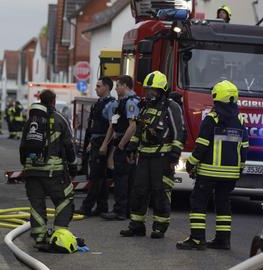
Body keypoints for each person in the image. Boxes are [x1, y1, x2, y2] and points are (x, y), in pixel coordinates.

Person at [176, 80, 248, 250]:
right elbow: (245, 148)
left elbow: (201, 145)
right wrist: (240, 168)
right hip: (230, 174)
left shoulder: (211, 119)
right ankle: (223, 240)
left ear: (216, 98)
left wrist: (190, 164)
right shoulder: (240, 120)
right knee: (223, 204)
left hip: (208, 173)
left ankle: (197, 239)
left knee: (198, 203)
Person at [120, 71, 185, 239]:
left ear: (162, 90)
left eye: (153, 90)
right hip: (144, 157)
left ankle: (159, 227)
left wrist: (175, 155)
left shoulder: (171, 107)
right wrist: (131, 147)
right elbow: (139, 130)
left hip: (162, 158)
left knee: (160, 192)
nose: (150, 93)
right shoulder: (145, 106)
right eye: (148, 90)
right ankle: (136, 226)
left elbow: (179, 132)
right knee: (139, 191)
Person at [19, 89, 78, 247]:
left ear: (40, 100)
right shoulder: (60, 119)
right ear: (53, 101)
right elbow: (69, 145)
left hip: (32, 171)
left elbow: (23, 146)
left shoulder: (31, 121)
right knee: (64, 200)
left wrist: (26, 165)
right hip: (54, 172)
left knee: (36, 204)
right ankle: (58, 235)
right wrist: (73, 167)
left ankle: (39, 237)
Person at [99, 75, 140, 221]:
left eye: (117, 86)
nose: (115, 89)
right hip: (122, 142)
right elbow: (113, 124)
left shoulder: (131, 103)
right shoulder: (120, 103)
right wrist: (106, 144)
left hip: (126, 144)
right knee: (122, 178)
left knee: (123, 179)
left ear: (124, 86)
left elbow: (133, 126)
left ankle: (121, 211)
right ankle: (125, 210)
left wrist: (122, 145)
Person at [75, 77, 116, 216]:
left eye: (98, 86)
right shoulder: (99, 103)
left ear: (106, 88)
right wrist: (91, 143)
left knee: (95, 177)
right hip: (96, 141)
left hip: (103, 142)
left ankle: (87, 207)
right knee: (101, 177)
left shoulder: (111, 105)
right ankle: (102, 206)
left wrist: (104, 145)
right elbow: (95, 126)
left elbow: (112, 126)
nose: (96, 88)